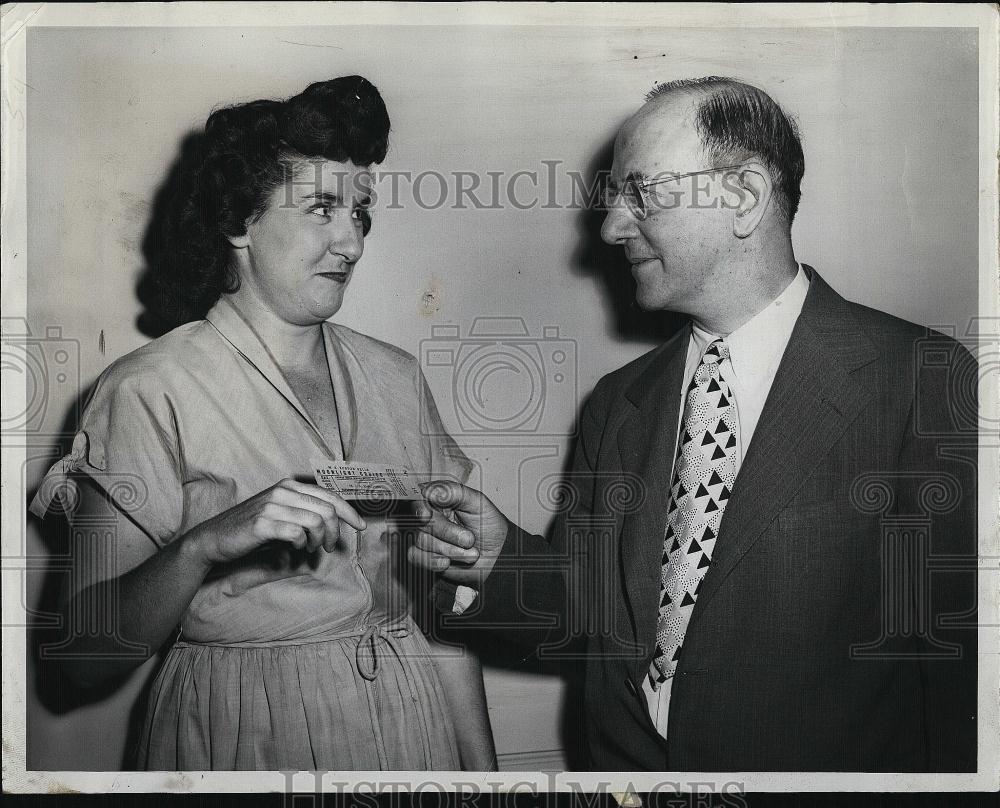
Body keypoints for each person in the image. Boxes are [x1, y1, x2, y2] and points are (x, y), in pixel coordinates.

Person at [412, 77, 978, 772]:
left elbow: (964, 676)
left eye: (641, 194)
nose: (613, 226)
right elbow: (594, 613)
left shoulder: (917, 377)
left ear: (742, 197)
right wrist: (501, 561)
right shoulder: (619, 402)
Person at [30, 76, 496, 772]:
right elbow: (80, 660)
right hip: (242, 736)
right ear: (239, 221)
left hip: (411, 728)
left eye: (360, 212)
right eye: (321, 209)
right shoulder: (149, 390)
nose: (352, 243)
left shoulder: (398, 378)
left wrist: (485, 780)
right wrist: (202, 547)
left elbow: (438, 620)